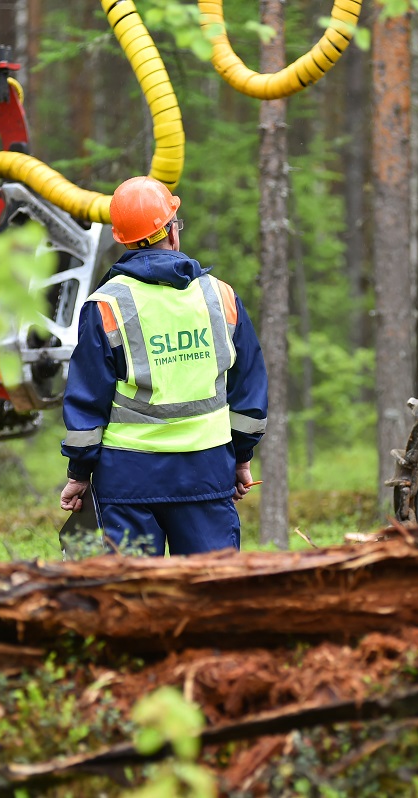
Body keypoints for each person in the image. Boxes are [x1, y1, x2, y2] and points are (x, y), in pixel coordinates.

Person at [59, 176, 268, 556]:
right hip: (206, 472)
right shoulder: (221, 296)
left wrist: (78, 474)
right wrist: (241, 457)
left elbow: (87, 403)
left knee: (134, 600)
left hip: (127, 480)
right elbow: (249, 391)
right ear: (172, 232)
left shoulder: (105, 305)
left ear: (123, 240)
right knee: (211, 593)